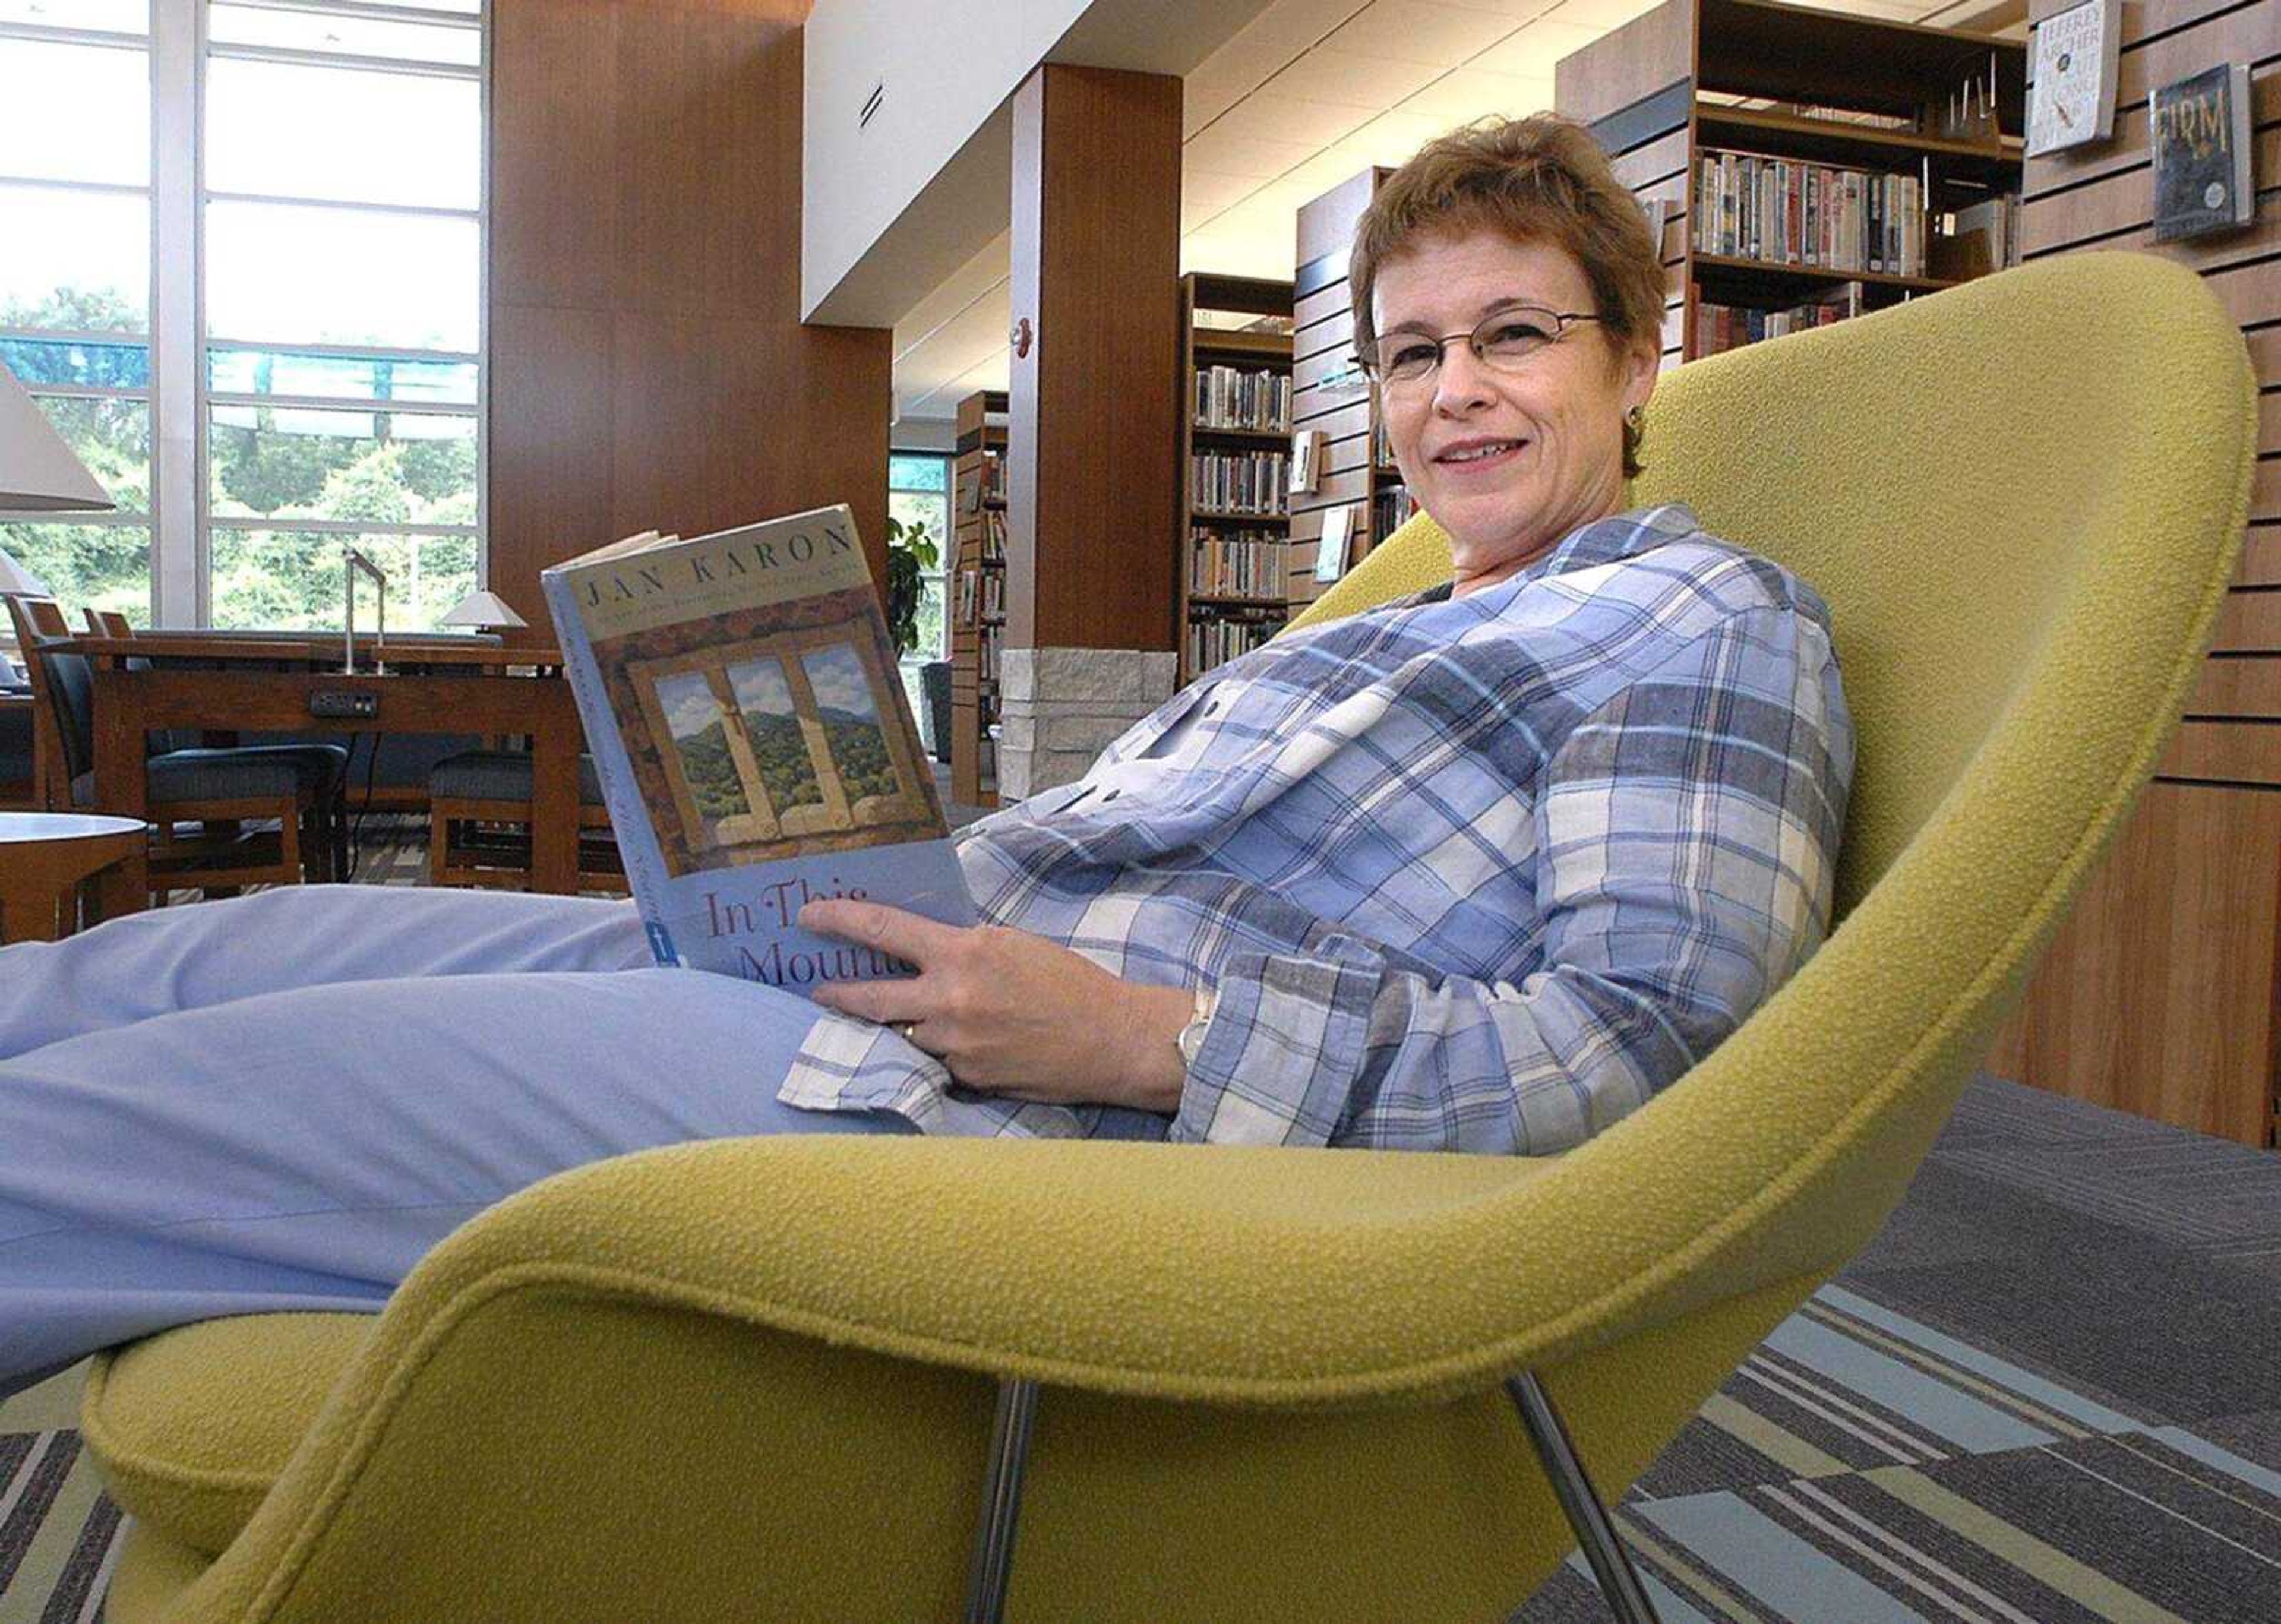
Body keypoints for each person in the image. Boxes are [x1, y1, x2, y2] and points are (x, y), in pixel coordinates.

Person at [0, 115, 1852, 1395]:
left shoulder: (1699, 619)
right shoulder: (1383, 619)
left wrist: (1137, 1038)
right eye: (1416, 350)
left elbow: (1643, 1056)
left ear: (1639, 361)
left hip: (995, 1108)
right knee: (199, 952)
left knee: (138, 1122)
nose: (1457, 392)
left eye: (1515, 336)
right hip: (871, 968)